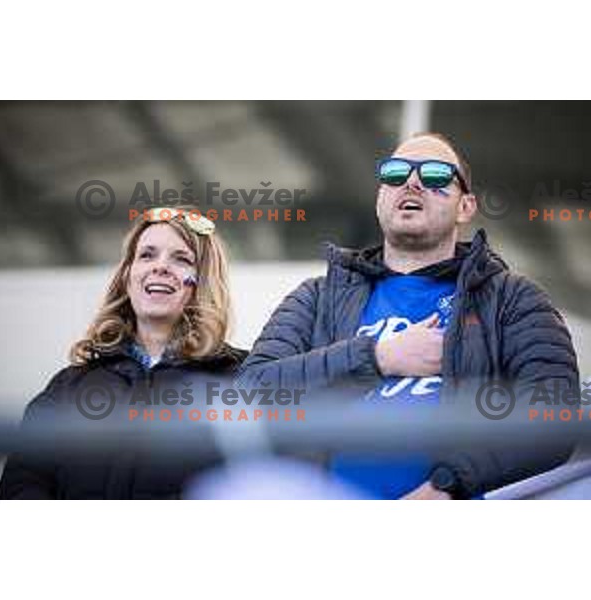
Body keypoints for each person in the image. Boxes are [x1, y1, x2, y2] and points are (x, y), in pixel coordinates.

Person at [239, 132, 579, 500]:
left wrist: (446, 487)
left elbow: (553, 416)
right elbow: (249, 394)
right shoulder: (316, 297)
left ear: (466, 206)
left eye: (435, 175)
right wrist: (379, 357)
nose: (412, 182)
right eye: (395, 173)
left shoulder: (512, 299)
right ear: (380, 199)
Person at [0, 207, 246, 499]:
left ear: (203, 281)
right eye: (147, 255)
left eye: (181, 259)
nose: (160, 266)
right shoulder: (67, 385)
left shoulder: (242, 378)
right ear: (128, 276)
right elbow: (22, 483)